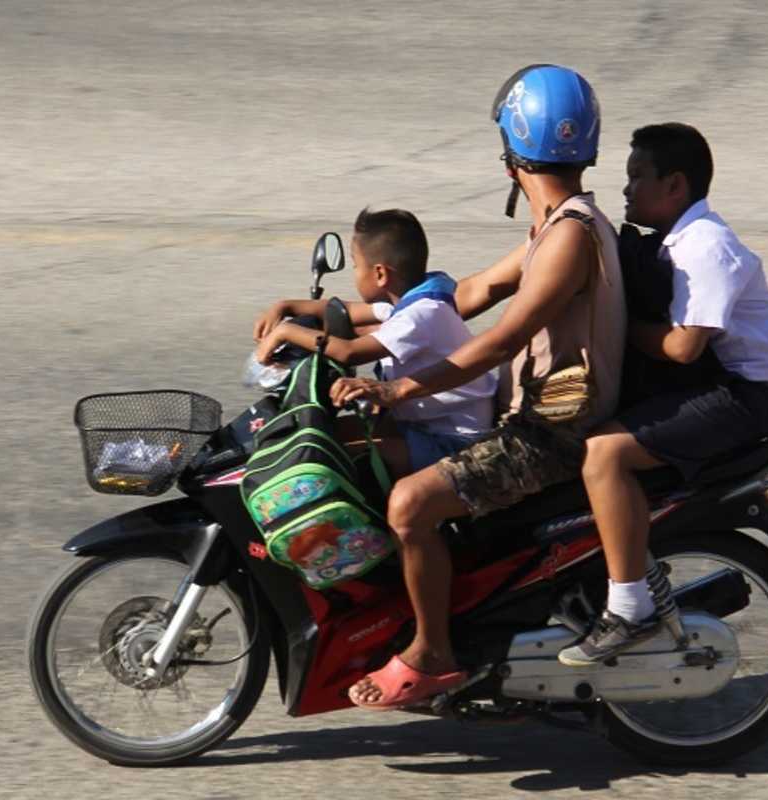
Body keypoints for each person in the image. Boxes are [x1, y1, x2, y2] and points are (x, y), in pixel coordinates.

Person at [330, 64, 626, 709]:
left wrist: (396, 389)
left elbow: (498, 341)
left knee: (409, 504)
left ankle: (433, 653)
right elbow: (470, 294)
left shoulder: (568, 239)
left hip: (549, 435)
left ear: (511, 153)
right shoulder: (560, 225)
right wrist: (330, 316)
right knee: (368, 449)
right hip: (533, 418)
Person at [558, 122, 768, 666]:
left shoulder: (707, 246)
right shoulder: (672, 241)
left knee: (605, 454)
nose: (625, 190)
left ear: (675, 186)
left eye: (637, 176)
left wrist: (613, 326)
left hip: (744, 395)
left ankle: (629, 608)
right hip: (715, 382)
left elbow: (684, 346)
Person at [253, 207, 497, 478]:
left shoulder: (422, 314)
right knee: (323, 435)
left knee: (331, 460)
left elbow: (349, 352)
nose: (355, 273)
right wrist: (286, 306)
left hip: (454, 442)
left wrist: (285, 332)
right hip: (422, 425)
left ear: (380, 274)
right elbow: (344, 310)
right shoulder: (410, 300)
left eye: (356, 266)